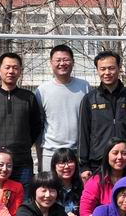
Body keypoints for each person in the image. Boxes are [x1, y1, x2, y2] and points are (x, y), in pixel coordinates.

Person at [0, 52, 43, 193]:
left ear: (20, 71)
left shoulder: (29, 98)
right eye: (7, 67)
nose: (11, 71)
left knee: (23, 201)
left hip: (22, 161)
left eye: (15, 68)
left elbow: (36, 126)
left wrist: (23, 142)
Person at [77, 50, 126, 179]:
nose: (107, 73)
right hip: (97, 164)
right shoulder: (89, 99)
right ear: (97, 70)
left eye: (111, 68)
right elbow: (83, 134)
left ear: (119, 68)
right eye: (103, 69)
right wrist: (84, 166)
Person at [36, 44, 90, 172]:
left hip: (78, 152)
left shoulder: (84, 86)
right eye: (58, 60)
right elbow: (39, 125)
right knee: (50, 185)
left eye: (66, 59)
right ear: (51, 63)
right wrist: (39, 156)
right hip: (51, 152)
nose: (62, 63)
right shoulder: (42, 90)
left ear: (73, 62)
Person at [79, 137, 126, 216]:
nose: (120, 157)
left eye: (124, 153)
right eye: (115, 153)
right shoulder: (96, 180)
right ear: (107, 155)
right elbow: (85, 212)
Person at [0, 147, 25, 216]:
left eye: (9, 166)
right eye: (1, 165)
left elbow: (15, 215)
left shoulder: (17, 188)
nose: (4, 169)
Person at [50, 147, 84, 216]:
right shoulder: (49, 187)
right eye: (61, 163)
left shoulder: (82, 186)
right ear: (54, 166)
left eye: (70, 162)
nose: (66, 166)